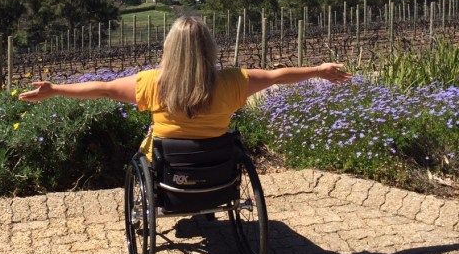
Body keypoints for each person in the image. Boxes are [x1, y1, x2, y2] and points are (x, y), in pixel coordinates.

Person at [19, 15, 352, 152]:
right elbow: (278, 75)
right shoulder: (234, 81)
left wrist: (56, 90)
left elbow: (103, 88)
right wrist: (319, 70)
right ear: (210, 47)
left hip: (168, 165)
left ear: (171, 48)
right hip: (217, 165)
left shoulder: (151, 83)